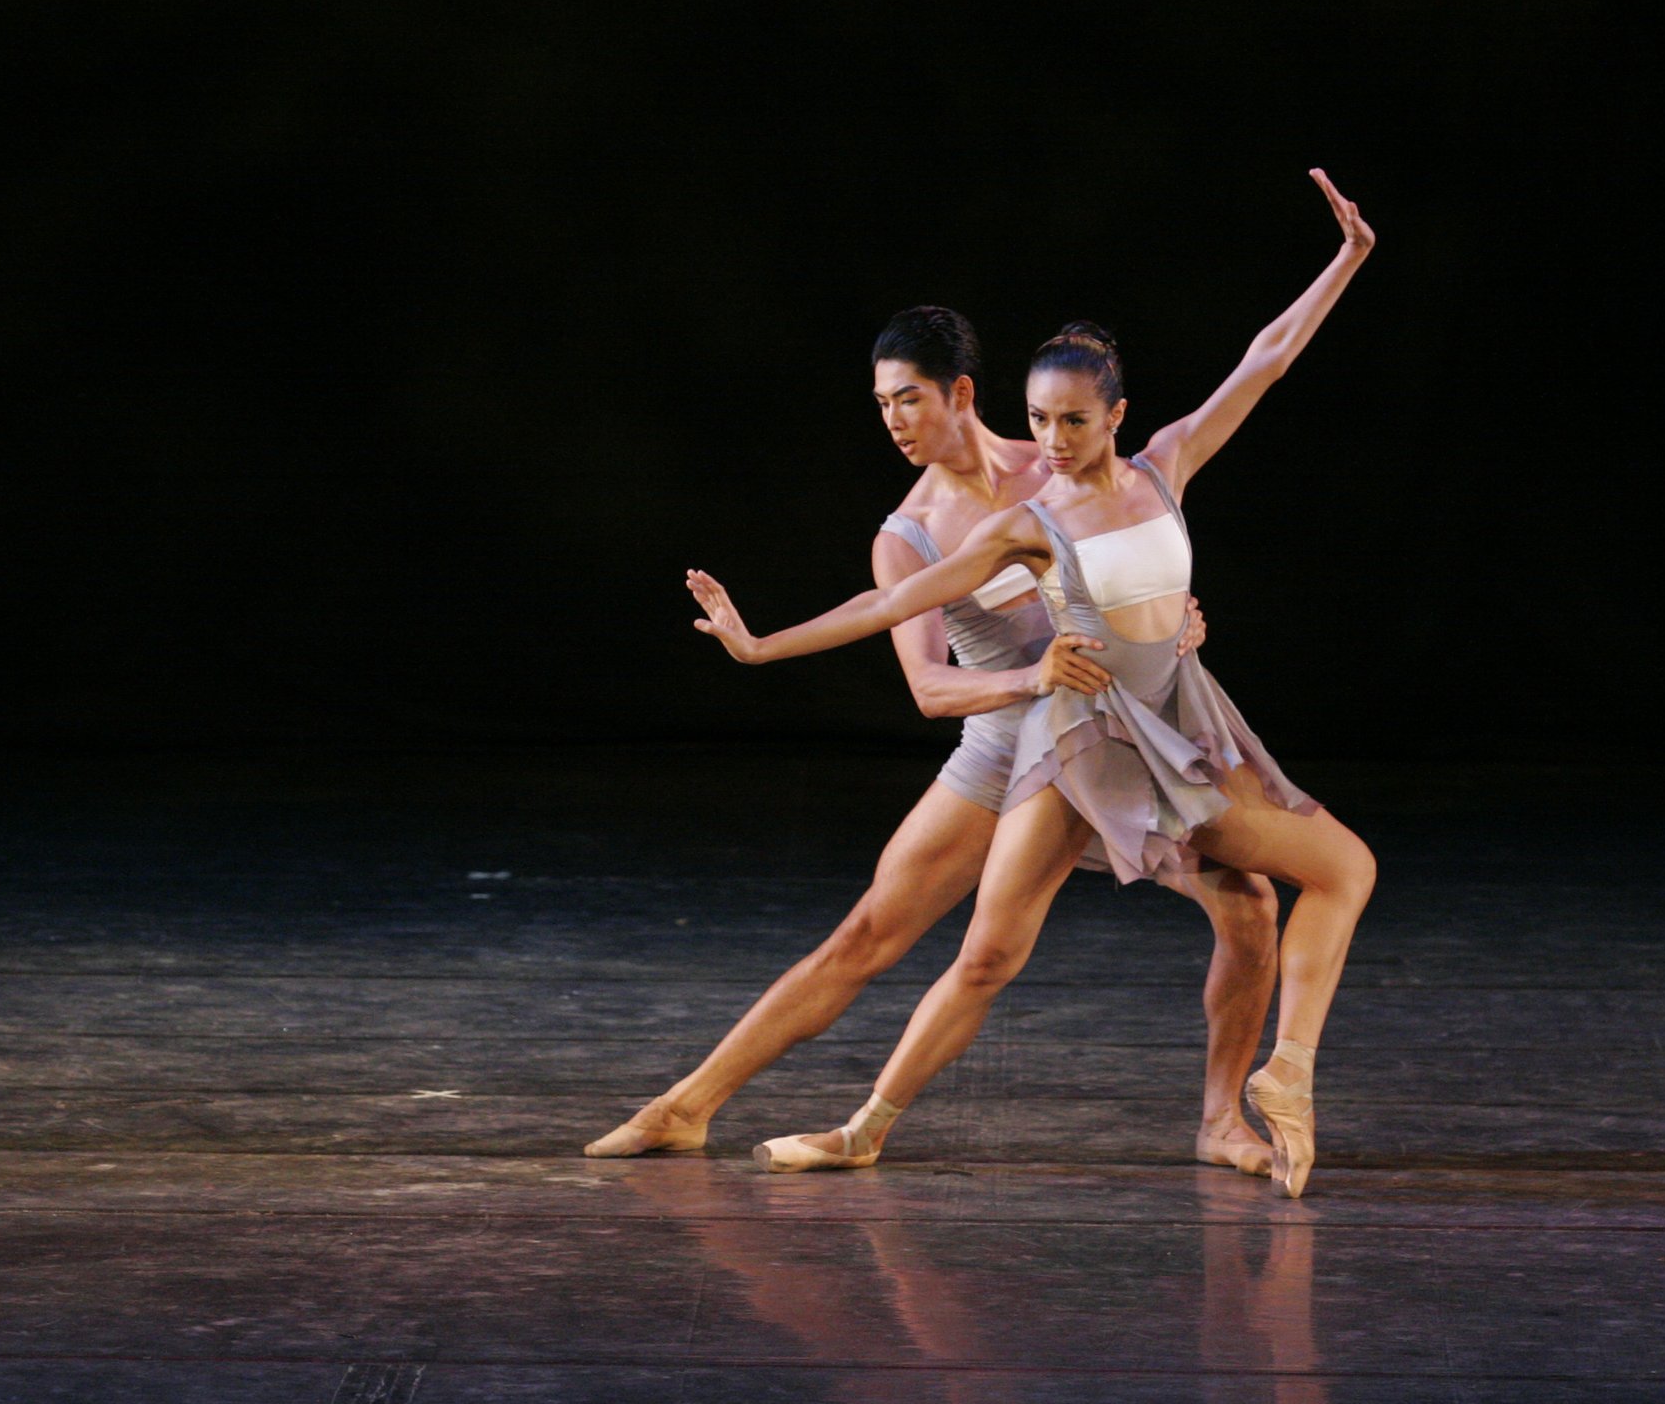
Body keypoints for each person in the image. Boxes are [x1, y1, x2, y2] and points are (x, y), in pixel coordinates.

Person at [684, 169, 1378, 1196]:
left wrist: (1347, 259)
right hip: (1080, 745)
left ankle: (1272, 1082)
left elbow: (1263, 360)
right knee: (987, 955)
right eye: (1039, 422)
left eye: (1071, 424)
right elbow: (887, 606)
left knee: (1306, 882)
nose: (1049, 444)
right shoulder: (1026, 523)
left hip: (1171, 728)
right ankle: (864, 1125)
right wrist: (758, 644)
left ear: (1115, 416)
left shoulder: (1165, 463)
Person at [586, 306, 1282, 1175]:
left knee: (1250, 906)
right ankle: (683, 1106)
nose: (892, 422)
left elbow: (1150, 533)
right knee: (871, 934)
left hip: (1118, 736)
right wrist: (1026, 680)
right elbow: (928, 687)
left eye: (907, 399)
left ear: (960, 392)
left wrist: (1172, 616)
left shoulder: (1061, 451)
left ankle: (1221, 1118)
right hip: (1003, 745)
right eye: (881, 405)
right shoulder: (907, 534)